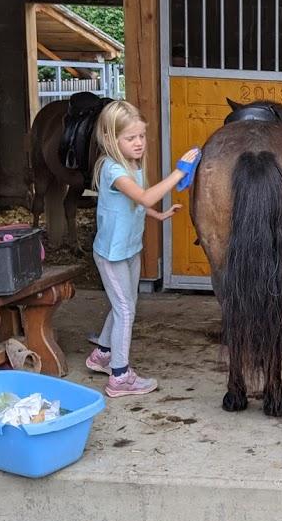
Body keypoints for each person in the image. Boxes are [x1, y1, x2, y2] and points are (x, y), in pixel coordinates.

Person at [85, 101, 200, 398]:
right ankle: (120, 378)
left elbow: (135, 202)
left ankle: (102, 355)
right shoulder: (112, 169)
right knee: (125, 309)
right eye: (130, 138)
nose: (139, 143)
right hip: (111, 255)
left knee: (125, 304)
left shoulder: (132, 165)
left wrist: (156, 215)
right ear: (110, 139)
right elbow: (145, 196)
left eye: (141, 136)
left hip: (129, 249)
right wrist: (179, 172)